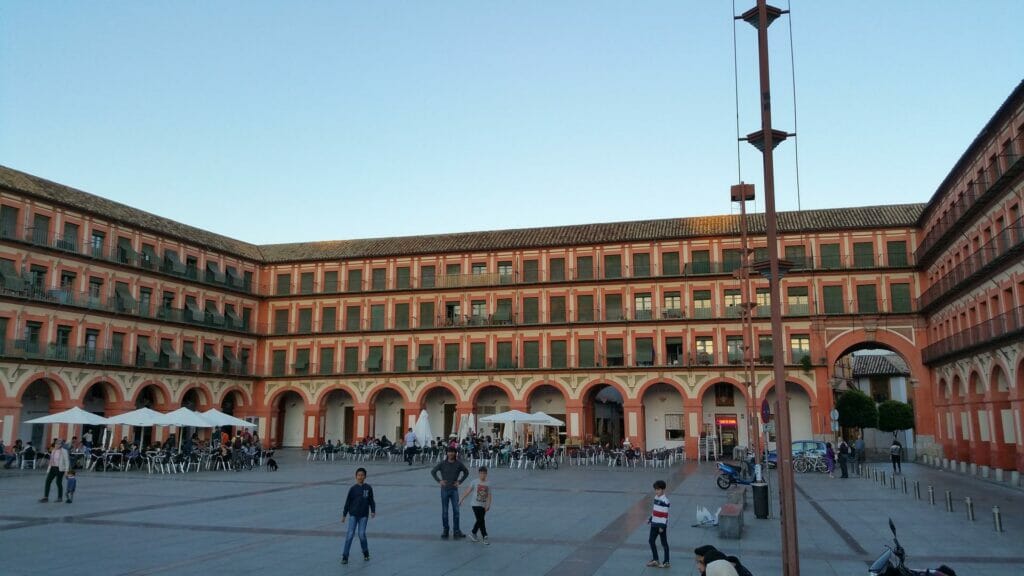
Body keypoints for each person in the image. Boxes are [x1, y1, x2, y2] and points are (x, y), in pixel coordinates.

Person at [431, 446, 469, 539]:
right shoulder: (442, 463)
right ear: (446, 453)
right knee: (445, 511)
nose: (451, 453)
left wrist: (459, 481)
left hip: (454, 490)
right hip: (444, 490)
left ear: (455, 453)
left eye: (452, 452)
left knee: (456, 511)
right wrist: (439, 481)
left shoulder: (458, 464)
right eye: (449, 452)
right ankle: (446, 530)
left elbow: (466, 472)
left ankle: (456, 530)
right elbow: (433, 471)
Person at [340, 467, 376, 564]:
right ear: (356, 476)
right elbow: (348, 502)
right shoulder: (353, 489)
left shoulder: (368, 488)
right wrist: (344, 514)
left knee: (361, 534)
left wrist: (373, 510)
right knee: (350, 534)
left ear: (365, 476)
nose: (360, 477)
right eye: (358, 475)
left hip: (363, 515)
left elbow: (371, 500)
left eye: (362, 475)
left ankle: (365, 552)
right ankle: (345, 556)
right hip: (353, 515)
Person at [460, 466, 492, 544]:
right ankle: (485, 536)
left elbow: (489, 495)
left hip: (483, 505)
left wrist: (488, 505)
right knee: (481, 520)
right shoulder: (474, 482)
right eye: (481, 473)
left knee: (479, 520)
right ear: (479, 474)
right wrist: (461, 499)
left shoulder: (488, 483)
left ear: (486, 474)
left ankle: (473, 533)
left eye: (484, 474)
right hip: (475, 504)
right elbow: (468, 491)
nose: (482, 475)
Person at [646, 479, 670, 568]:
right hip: (654, 524)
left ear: (663, 490)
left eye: (658, 489)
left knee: (664, 543)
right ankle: (655, 560)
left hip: (661, 525)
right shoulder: (656, 498)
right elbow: (655, 510)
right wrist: (651, 518)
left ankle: (666, 561)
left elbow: (665, 515)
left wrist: (662, 526)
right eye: (655, 489)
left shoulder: (665, 501)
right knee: (651, 541)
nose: (656, 491)